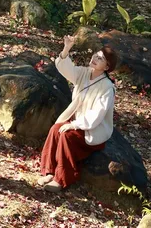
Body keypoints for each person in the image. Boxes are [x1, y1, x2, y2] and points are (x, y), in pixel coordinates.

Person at [39, 33, 117, 192]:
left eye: (100, 58)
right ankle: (48, 171)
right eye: (95, 55)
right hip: (77, 121)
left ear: (107, 67)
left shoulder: (107, 88)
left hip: (92, 128)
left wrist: (74, 125)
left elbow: (97, 114)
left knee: (66, 135)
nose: (95, 58)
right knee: (56, 129)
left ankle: (61, 179)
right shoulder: (83, 73)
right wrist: (67, 48)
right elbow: (66, 69)